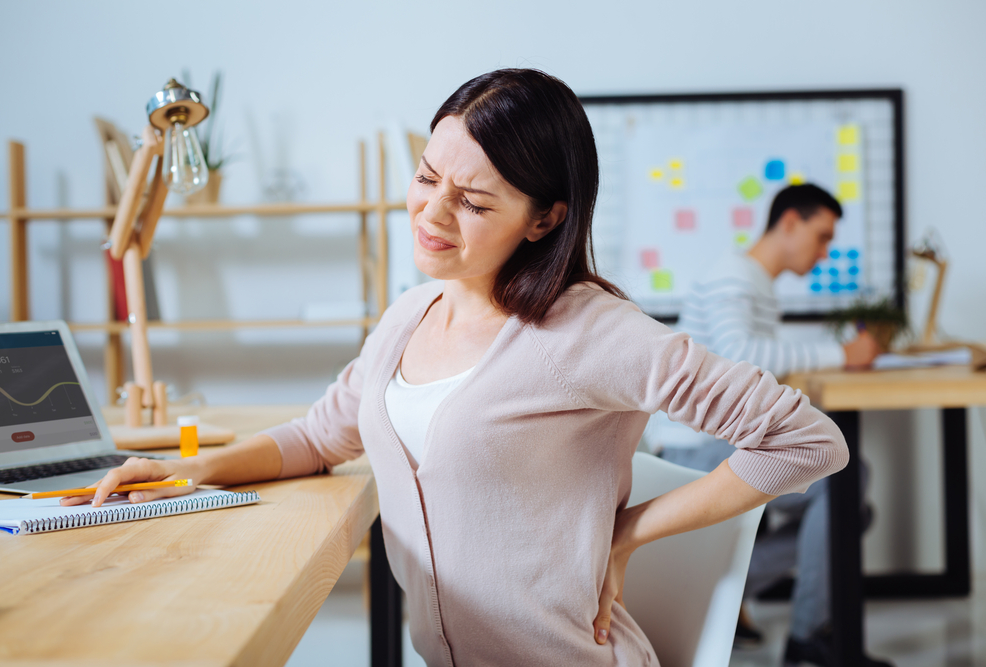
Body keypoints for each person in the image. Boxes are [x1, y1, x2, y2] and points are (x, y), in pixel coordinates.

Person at [69, 70, 847, 667]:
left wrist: (630, 530)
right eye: (425, 176)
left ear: (545, 218)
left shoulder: (588, 330)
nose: (432, 213)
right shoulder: (413, 310)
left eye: (473, 201)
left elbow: (806, 440)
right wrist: (190, 470)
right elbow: (318, 434)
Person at [658, 183, 886, 666]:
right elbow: (744, 358)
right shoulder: (735, 276)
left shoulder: (753, 283)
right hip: (693, 447)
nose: (825, 252)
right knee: (847, 481)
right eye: (821, 236)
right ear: (789, 223)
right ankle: (808, 638)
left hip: (716, 439)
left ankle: (723, 588)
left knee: (852, 512)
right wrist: (842, 354)